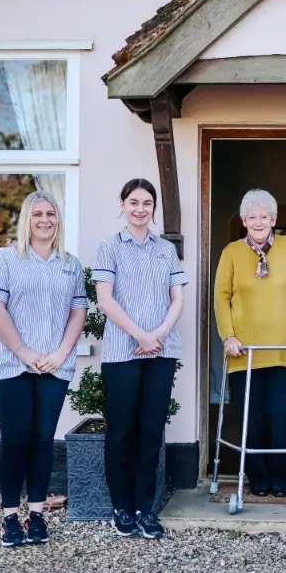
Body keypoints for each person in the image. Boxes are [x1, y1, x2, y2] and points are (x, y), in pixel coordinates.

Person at [0, 191, 89, 547]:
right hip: (12, 366)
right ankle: (10, 518)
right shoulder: (8, 259)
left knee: (43, 442)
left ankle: (38, 515)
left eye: (51, 214)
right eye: (37, 214)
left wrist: (60, 353)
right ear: (26, 220)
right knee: (15, 442)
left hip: (54, 367)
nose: (45, 220)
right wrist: (24, 352)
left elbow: (78, 312)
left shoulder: (70, 264)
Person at [93, 178, 187, 540]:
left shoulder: (165, 249)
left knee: (150, 433)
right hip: (122, 353)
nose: (140, 209)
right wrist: (140, 335)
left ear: (153, 208)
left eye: (147, 203)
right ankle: (121, 508)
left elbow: (176, 298)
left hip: (161, 352)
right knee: (121, 434)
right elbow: (105, 299)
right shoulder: (109, 247)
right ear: (122, 204)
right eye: (134, 202)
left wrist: (159, 334)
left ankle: (144, 509)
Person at [214, 189, 286, 498]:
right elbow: (221, 296)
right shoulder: (231, 252)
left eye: (264, 216)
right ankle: (256, 477)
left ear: (273, 220)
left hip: (285, 349)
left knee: (280, 415)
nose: (258, 222)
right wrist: (228, 335)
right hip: (243, 350)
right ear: (243, 221)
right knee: (251, 417)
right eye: (252, 217)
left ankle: (278, 475)